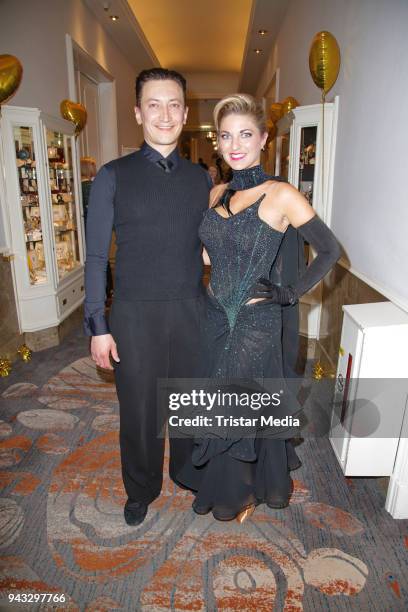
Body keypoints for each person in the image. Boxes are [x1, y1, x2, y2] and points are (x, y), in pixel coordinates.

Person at [176, 94, 341, 522]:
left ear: (263, 138)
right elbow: (211, 254)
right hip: (214, 315)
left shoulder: (281, 193)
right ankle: (246, 481)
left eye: (245, 134)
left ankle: (234, 493)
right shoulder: (216, 191)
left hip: (255, 319)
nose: (235, 144)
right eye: (226, 135)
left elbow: (329, 250)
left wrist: (291, 292)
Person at [83, 68, 211, 526]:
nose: (164, 113)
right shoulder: (112, 176)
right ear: (138, 113)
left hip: (191, 309)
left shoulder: (201, 178)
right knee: (139, 410)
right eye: (153, 104)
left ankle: (186, 472)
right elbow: (97, 257)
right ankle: (141, 487)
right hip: (134, 315)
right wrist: (98, 325)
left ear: (185, 113)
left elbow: (204, 247)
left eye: (174, 104)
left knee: (188, 400)